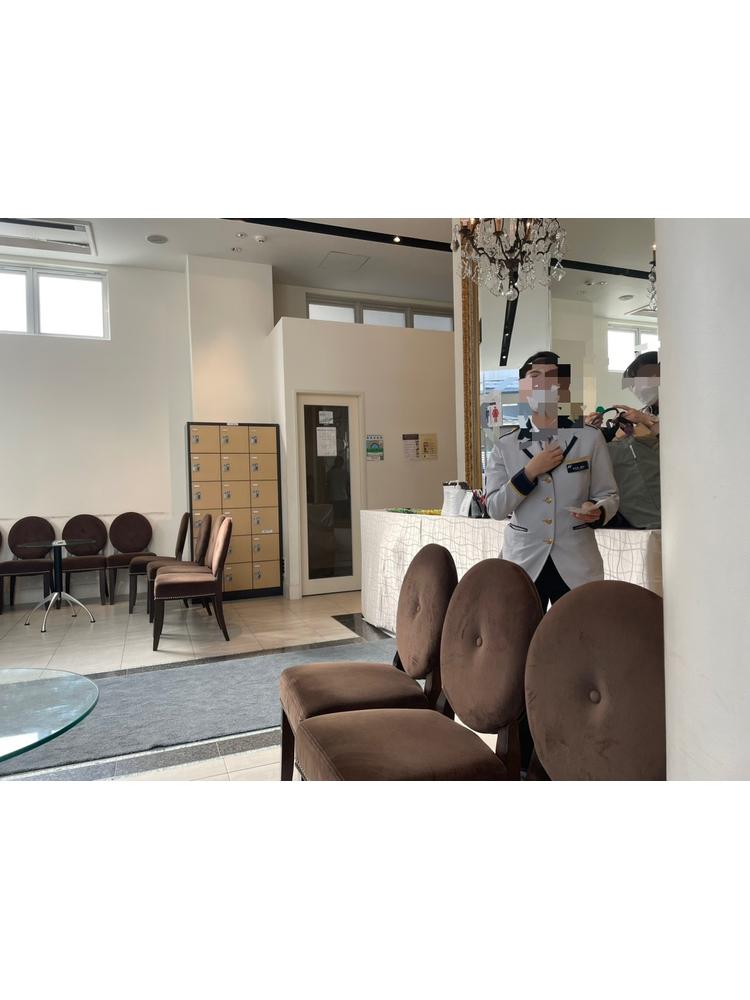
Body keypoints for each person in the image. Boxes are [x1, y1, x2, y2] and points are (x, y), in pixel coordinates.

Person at [486, 350, 619, 610]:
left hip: (577, 562)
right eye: (535, 377)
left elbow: (609, 495)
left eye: (552, 377)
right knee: (523, 631)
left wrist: (599, 509)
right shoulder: (506, 445)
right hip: (524, 561)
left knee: (578, 630)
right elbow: (495, 508)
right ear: (523, 388)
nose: (543, 385)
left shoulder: (589, 438)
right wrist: (528, 473)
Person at [585, 351, 661, 529]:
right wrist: (595, 429)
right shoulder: (644, 412)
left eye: (640, 380)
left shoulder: (682, 408)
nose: (636, 388)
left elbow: (678, 442)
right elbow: (621, 440)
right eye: (632, 384)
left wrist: (645, 420)